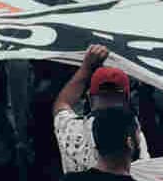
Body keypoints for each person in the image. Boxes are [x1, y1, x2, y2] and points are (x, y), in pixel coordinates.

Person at [53, 45, 150, 174]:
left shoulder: (74, 131)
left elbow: (62, 103)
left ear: (90, 98)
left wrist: (86, 67)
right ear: (127, 99)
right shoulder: (134, 136)